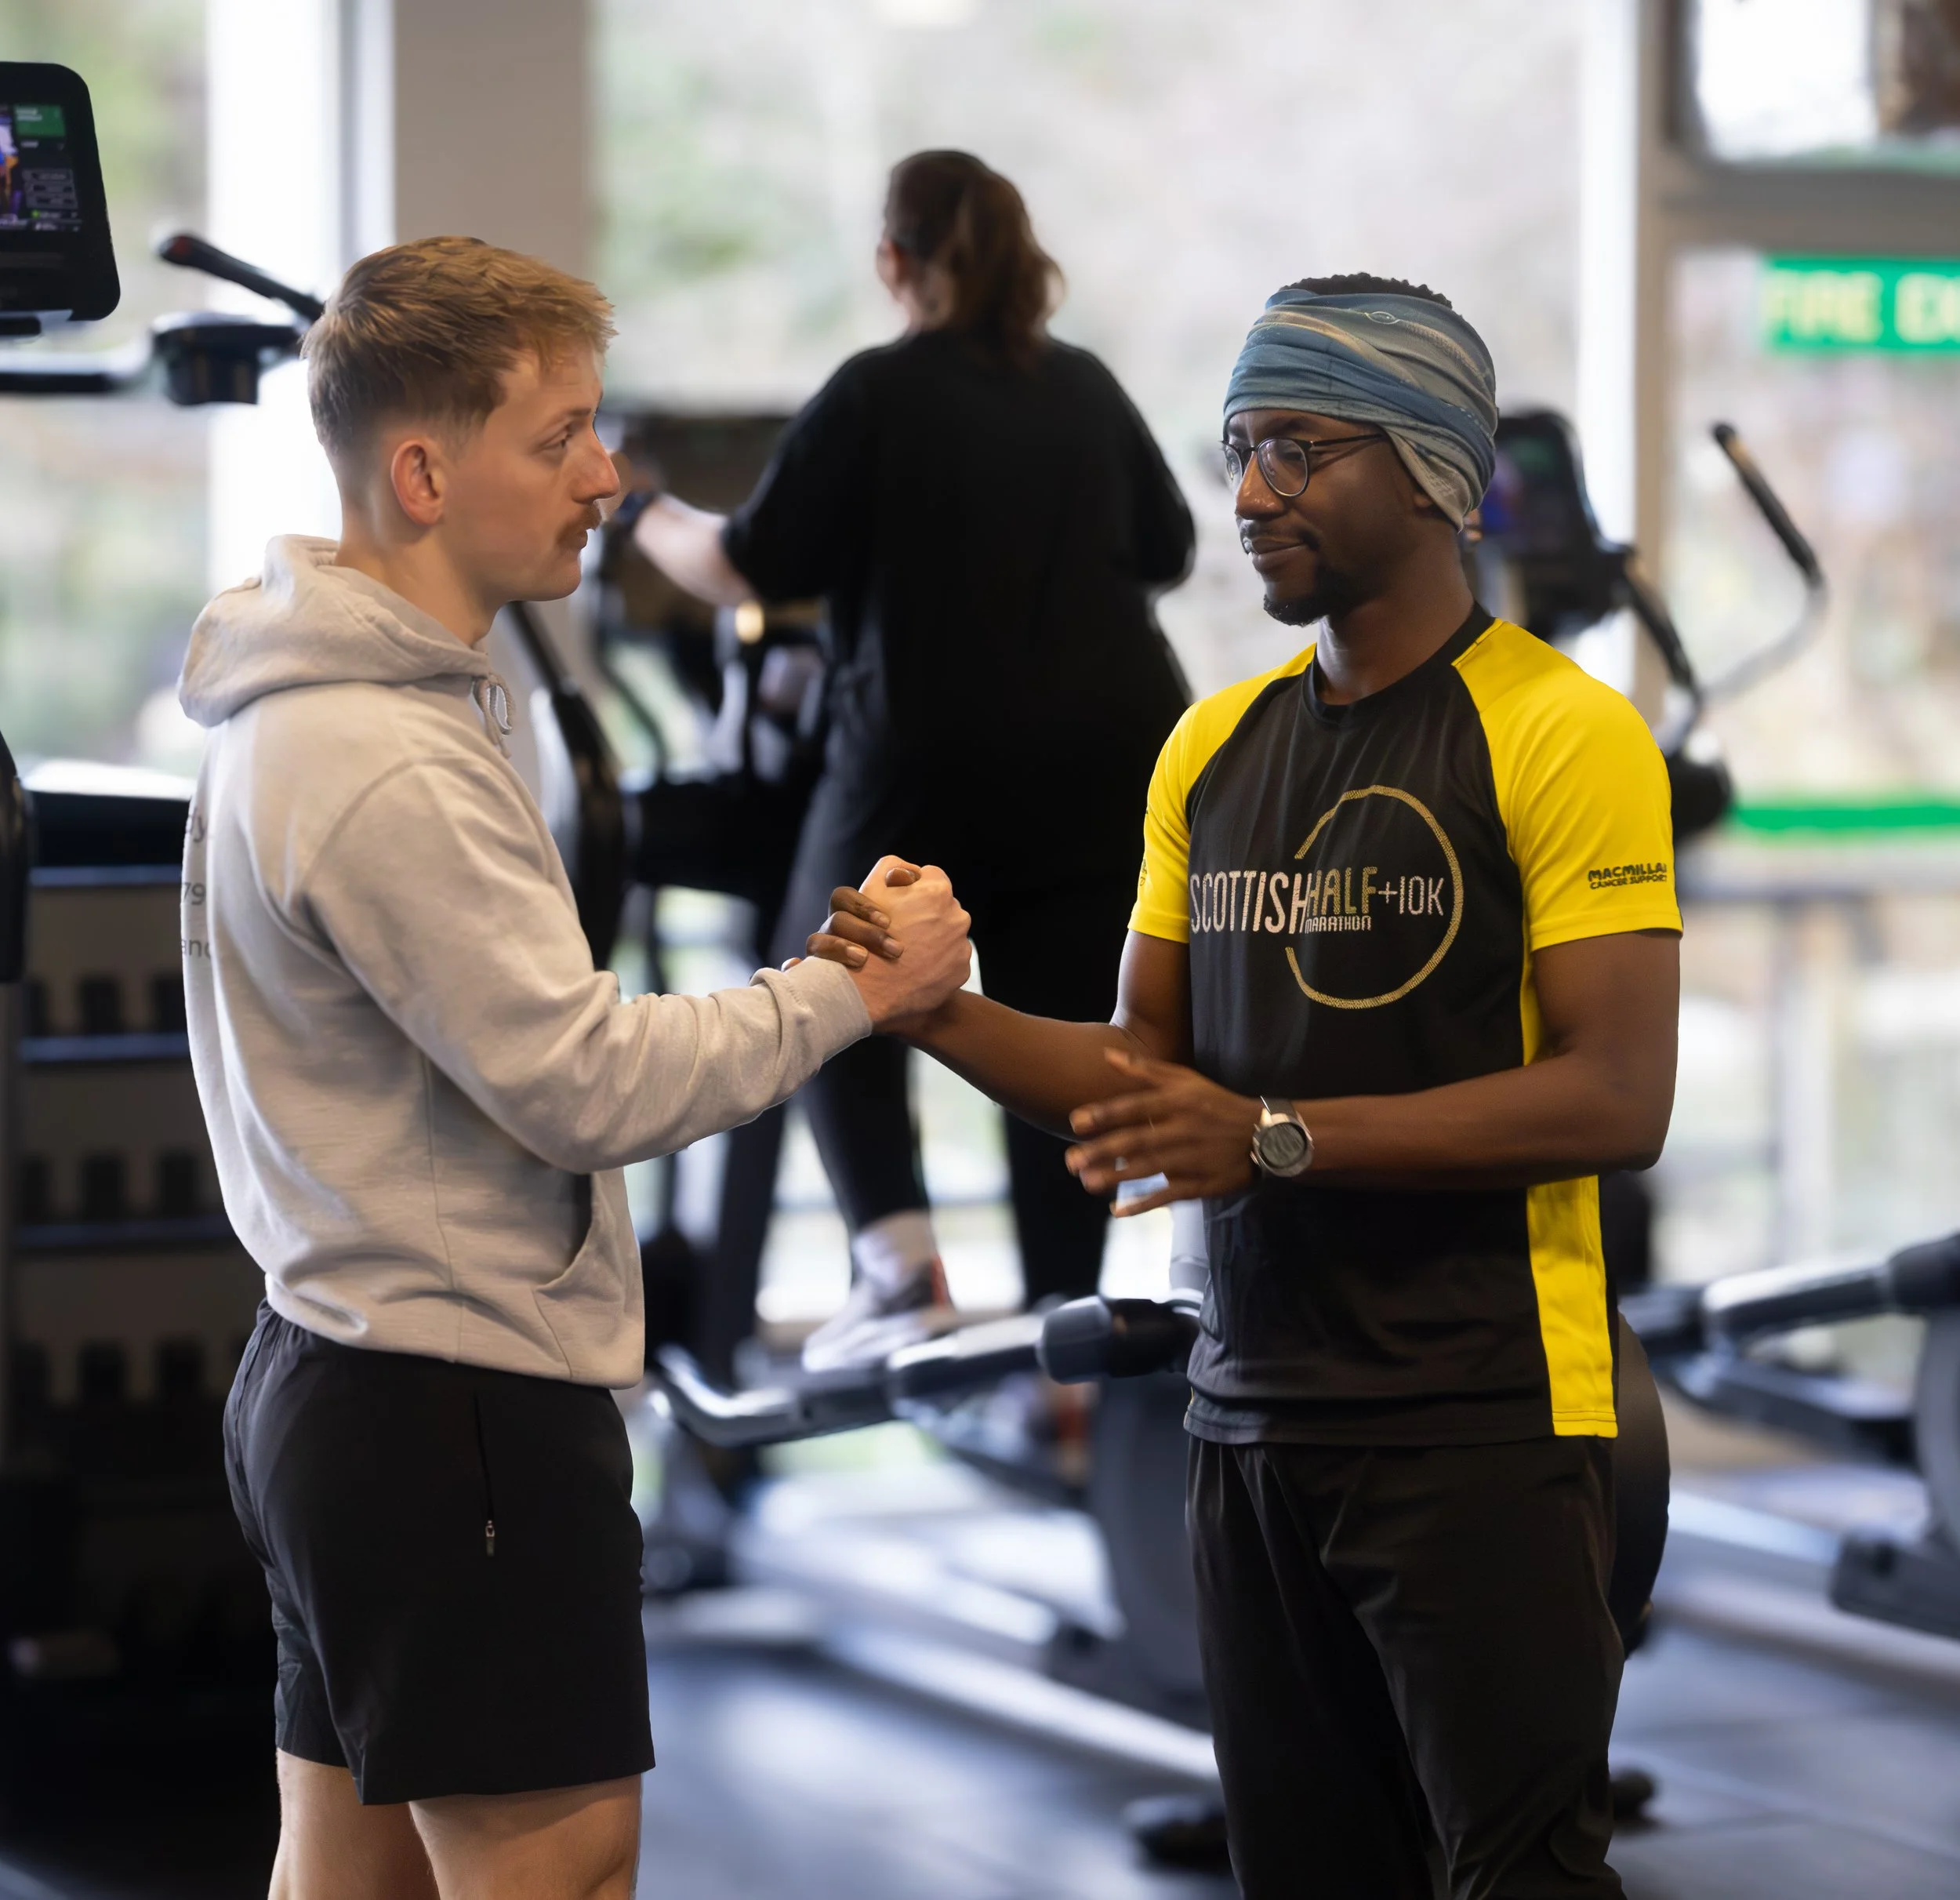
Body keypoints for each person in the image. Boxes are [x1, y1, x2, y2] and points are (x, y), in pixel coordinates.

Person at [811, 275, 1682, 1897]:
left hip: (1477, 1410)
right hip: (1251, 1414)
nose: (1247, 492)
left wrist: (1272, 1136)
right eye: (1235, 446)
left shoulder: (1563, 735)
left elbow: (1613, 1096)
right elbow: (1145, 1072)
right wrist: (933, 1014)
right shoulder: (1209, 748)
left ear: (1425, 466)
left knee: (1516, 1876)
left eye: (1294, 445)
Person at [178, 235, 971, 1900]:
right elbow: (587, 1080)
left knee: (348, 1876)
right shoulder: (383, 754)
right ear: (420, 468)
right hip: (452, 1409)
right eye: (558, 438)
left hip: (343, 1378)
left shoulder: (330, 711)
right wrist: (852, 986)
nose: (606, 476)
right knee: (561, 1874)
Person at [627, 149, 1193, 1368]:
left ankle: (898, 1265)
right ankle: (1067, 1347)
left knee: (826, 961)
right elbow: (1170, 545)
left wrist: (637, 511)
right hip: (1111, 761)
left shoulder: (878, 392)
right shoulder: (1085, 386)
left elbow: (748, 566)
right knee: (1069, 1040)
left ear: (894, 260)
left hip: (930, 755)